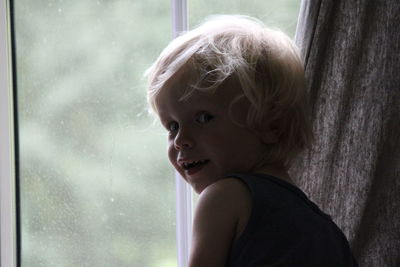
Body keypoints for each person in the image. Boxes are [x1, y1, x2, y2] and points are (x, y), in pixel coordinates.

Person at [145, 15, 358, 267]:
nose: (181, 140)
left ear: (271, 126)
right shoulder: (326, 230)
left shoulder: (224, 197)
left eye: (203, 117)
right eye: (172, 126)